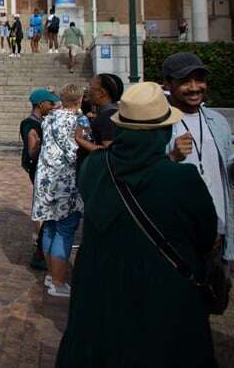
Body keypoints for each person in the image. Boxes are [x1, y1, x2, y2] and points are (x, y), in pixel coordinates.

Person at [56, 82, 219, 367]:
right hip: (161, 294)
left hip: (99, 289)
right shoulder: (183, 179)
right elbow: (206, 237)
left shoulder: (95, 166)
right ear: (162, 131)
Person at [162, 52, 234, 263]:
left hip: (217, 230)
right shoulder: (158, 125)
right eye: (185, 81)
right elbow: (145, 178)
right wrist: (171, 157)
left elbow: (228, 176)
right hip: (176, 233)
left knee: (216, 293)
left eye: (200, 80)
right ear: (168, 84)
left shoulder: (218, 121)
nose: (195, 87)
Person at [32, 83, 88, 298]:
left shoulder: (49, 118)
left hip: (46, 179)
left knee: (49, 227)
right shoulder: (76, 120)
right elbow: (74, 151)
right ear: (80, 99)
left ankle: (51, 275)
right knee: (64, 230)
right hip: (66, 181)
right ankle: (58, 281)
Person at [20, 88, 60, 272]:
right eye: (50, 103)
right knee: (46, 209)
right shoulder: (31, 124)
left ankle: (42, 249)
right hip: (39, 170)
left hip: (41, 170)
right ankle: (39, 252)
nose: (52, 106)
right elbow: (32, 147)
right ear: (40, 104)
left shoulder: (41, 121)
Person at [87, 73, 123, 148]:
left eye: (90, 87)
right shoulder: (117, 114)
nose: (87, 91)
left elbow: (110, 151)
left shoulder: (107, 119)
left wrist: (80, 139)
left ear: (102, 93)